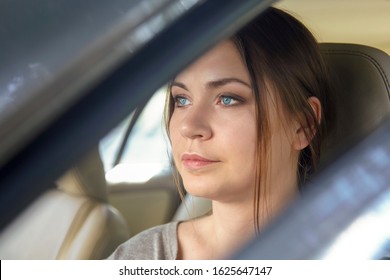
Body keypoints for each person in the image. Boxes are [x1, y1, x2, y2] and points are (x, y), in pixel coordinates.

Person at [108, 6, 334, 260]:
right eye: (181, 100)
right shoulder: (141, 256)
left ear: (304, 124)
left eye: (227, 99)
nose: (189, 127)